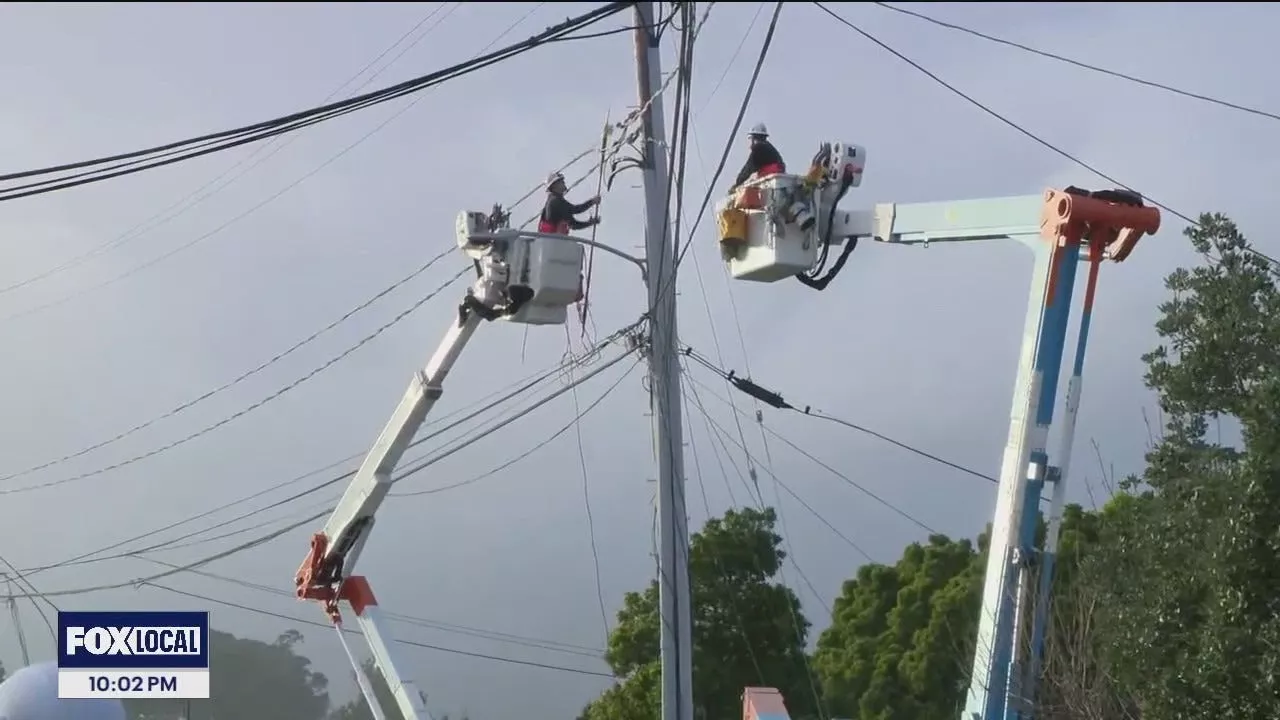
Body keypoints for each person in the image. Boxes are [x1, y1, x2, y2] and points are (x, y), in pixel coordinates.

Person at [731, 123, 786, 191]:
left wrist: (738, 183)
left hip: (769, 183)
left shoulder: (758, 149)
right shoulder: (770, 148)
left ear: (754, 138)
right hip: (778, 180)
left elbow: (748, 168)